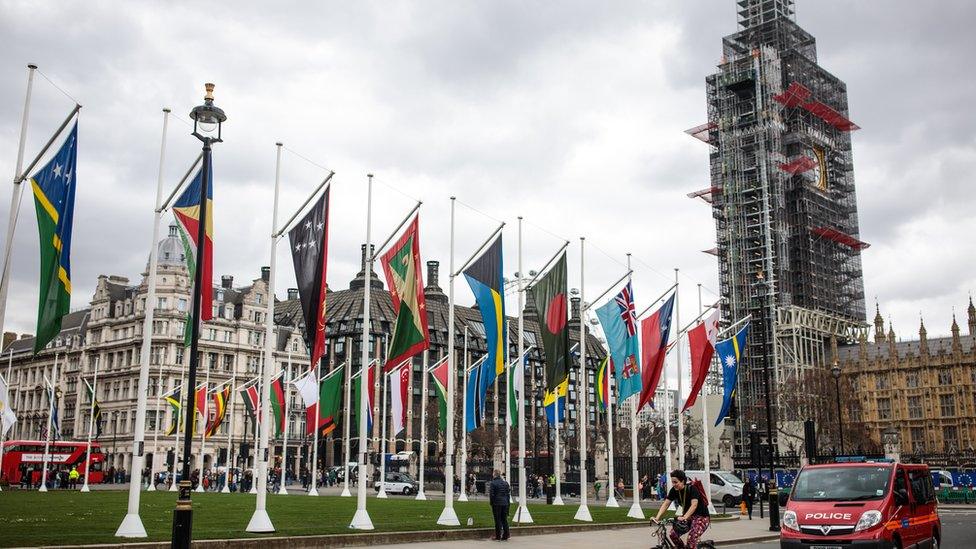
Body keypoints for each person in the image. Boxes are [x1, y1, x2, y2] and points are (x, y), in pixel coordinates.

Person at [652, 470, 710, 549]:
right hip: (689, 517)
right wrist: (657, 518)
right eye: (672, 482)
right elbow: (666, 504)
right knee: (673, 534)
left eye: (676, 482)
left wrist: (684, 517)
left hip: (702, 517)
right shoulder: (674, 490)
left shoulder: (692, 489)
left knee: (692, 538)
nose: (673, 484)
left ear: (682, 481)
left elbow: (694, 505)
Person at [488, 469, 511, 541]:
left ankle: (498, 536)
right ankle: (506, 535)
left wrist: (491, 502)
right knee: (504, 519)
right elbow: (508, 494)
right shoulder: (505, 483)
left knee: (497, 520)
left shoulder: (493, 483)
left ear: (494, 474)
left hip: (497, 503)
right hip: (505, 503)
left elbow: (492, 494)